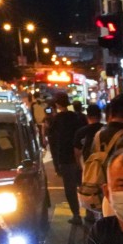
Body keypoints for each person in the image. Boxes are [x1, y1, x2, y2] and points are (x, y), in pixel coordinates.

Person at [47, 92, 87, 224]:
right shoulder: (77, 117)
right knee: (83, 185)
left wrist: (56, 164)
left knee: (70, 188)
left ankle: (76, 215)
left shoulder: (55, 120)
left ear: (57, 104)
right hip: (80, 157)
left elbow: (53, 143)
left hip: (65, 158)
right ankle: (90, 212)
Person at [72, 103, 103, 168]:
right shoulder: (106, 130)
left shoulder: (80, 132)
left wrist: (81, 168)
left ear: (87, 116)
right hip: (105, 168)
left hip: (88, 168)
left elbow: (77, 153)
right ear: (100, 116)